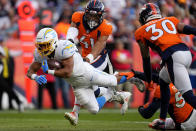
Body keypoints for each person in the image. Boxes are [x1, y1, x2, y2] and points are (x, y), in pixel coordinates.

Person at [27, 28, 133, 125]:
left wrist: (48, 71)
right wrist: (35, 77)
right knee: (94, 110)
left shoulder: (63, 47)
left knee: (113, 81)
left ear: (53, 41)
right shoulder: (40, 53)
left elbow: (68, 72)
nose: (42, 48)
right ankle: (114, 94)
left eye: (45, 45)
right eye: (40, 45)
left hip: (86, 74)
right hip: (76, 83)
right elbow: (30, 71)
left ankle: (135, 74)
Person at [64, 0, 133, 125]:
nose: (91, 18)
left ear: (101, 15)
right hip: (84, 56)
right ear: (85, 13)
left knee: (80, 77)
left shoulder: (106, 26)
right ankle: (118, 95)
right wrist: (69, 41)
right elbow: (72, 30)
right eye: (90, 14)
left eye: (95, 15)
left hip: (98, 58)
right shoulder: (77, 17)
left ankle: (75, 113)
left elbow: (100, 45)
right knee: (94, 92)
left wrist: (89, 58)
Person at [135, 3, 196, 129]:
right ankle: (162, 119)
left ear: (144, 17)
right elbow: (187, 29)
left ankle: (163, 119)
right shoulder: (170, 20)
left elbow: (146, 59)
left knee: (188, 96)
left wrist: (149, 79)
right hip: (186, 53)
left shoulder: (141, 32)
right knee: (163, 80)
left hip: (173, 58)